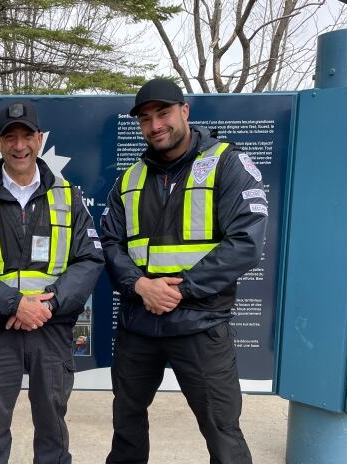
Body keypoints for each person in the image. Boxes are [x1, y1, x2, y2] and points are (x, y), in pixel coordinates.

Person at [101, 78, 268, 464]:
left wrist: (181, 290)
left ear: (185, 112)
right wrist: (140, 285)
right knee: (126, 426)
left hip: (200, 324)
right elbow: (109, 243)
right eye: (146, 119)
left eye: (163, 113)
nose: (155, 125)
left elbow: (245, 241)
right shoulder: (129, 179)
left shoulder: (227, 163)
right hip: (138, 324)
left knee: (222, 431)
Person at [0, 101, 104, 464]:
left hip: (50, 327)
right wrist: (13, 303)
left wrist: (47, 306)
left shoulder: (69, 196)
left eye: (27, 136)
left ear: (40, 138)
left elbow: (90, 259)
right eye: (10, 137)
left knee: (52, 428)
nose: (20, 146)